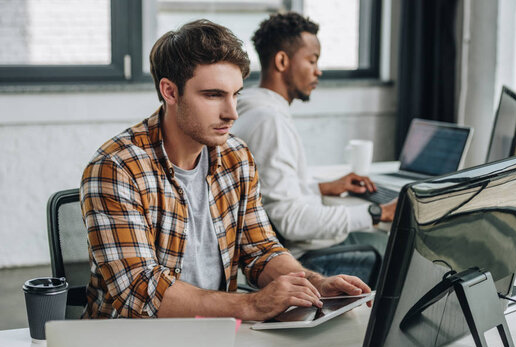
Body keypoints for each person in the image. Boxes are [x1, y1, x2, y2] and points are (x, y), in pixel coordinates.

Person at [79, 19, 369, 320]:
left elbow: (261, 251)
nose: (231, 113)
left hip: (218, 337)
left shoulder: (236, 157)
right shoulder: (116, 168)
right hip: (130, 345)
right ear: (170, 91)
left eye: (235, 95)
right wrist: (252, 305)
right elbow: (141, 291)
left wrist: (315, 284)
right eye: (213, 95)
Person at [233, 12, 396, 283]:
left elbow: (267, 197)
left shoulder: (253, 107)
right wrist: (378, 212)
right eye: (312, 60)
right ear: (282, 61)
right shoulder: (269, 121)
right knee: (393, 247)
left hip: (292, 249)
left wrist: (320, 188)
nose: (318, 70)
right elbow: (290, 221)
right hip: (299, 260)